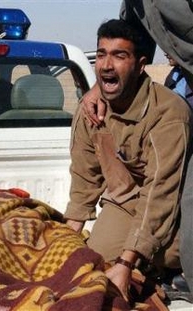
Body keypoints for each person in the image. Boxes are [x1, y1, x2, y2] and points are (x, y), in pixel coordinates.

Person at [63, 18, 192, 301]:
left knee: (161, 254)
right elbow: (84, 179)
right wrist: (64, 242)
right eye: (101, 54)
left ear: (140, 64)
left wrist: (126, 262)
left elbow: (160, 194)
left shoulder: (168, 113)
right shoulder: (91, 108)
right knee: (92, 261)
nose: (107, 65)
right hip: (124, 203)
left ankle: (163, 266)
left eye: (119, 56)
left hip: (171, 211)